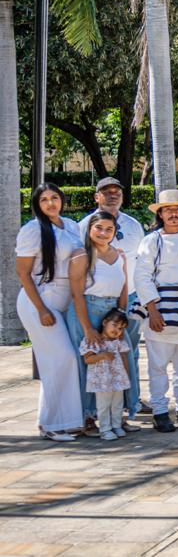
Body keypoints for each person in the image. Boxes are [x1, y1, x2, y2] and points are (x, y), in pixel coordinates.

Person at [16, 184, 87, 441]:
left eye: (54, 197)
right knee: (62, 358)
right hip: (40, 300)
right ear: (37, 204)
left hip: (66, 299)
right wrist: (41, 309)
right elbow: (23, 273)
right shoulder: (32, 230)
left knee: (59, 362)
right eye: (44, 200)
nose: (50, 203)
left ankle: (63, 421)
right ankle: (52, 424)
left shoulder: (70, 225)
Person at [134, 189, 178, 432]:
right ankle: (160, 410)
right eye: (168, 210)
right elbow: (142, 276)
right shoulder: (152, 241)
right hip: (162, 311)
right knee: (158, 365)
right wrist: (152, 310)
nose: (174, 214)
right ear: (160, 214)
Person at [67, 211, 137, 436]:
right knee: (88, 363)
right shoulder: (81, 256)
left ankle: (118, 414)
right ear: (89, 230)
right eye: (99, 228)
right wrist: (87, 327)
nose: (103, 233)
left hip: (113, 314)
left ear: (115, 232)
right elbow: (76, 294)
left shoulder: (121, 255)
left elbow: (124, 287)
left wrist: (121, 316)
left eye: (109, 229)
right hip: (87, 309)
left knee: (123, 359)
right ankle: (88, 416)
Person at [77, 176, 145, 387]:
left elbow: (141, 260)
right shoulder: (84, 226)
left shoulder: (133, 225)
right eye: (107, 192)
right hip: (94, 300)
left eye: (117, 192)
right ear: (97, 197)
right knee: (93, 350)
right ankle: (94, 407)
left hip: (130, 297)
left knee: (129, 349)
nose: (113, 195)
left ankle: (131, 399)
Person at [78, 308, 132, 441]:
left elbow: (125, 358)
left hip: (118, 378)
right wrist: (102, 355)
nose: (116, 330)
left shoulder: (119, 342)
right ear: (104, 322)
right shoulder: (93, 341)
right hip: (101, 380)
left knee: (117, 403)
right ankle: (105, 429)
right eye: (114, 325)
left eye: (120, 328)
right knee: (103, 405)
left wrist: (126, 374)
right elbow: (88, 359)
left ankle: (116, 425)